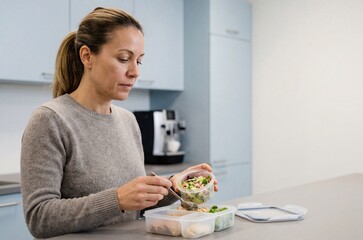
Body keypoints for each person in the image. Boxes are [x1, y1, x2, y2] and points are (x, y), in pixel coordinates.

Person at [20, 7, 217, 239]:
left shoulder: (128, 120)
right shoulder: (50, 120)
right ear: (87, 56)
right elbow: (39, 218)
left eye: (139, 61)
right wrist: (117, 199)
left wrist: (173, 187)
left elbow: (133, 207)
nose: (134, 72)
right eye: (124, 59)